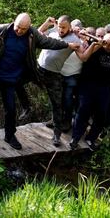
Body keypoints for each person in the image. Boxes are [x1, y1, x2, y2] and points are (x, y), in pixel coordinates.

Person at [0, 13, 79, 150]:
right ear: (14, 23)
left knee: (10, 107)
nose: (19, 31)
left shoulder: (32, 35)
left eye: (23, 29)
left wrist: (67, 45)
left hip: (10, 76)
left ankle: (10, 135)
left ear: (29, 27)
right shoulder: (2, 30)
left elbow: (50, 42)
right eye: (18, 27)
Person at [70, 33, 110, 150]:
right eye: (106, 44)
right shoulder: (96, 48)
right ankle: (76, 137)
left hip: (105, 87)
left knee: (101, 114)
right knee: (83, 110)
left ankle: (91, 138)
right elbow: (85, 57)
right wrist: (97, 45)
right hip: (88, 84)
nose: (109, 47)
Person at [37, 15, 81, 146]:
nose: (61, 29)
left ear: (70, 27)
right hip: (38, 68)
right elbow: (38, 34)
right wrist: (47, 23)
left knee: (57, 104)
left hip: (54, 74)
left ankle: (57, 135)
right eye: (60, 26)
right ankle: (26, 106)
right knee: (17, 80)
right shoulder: (54, 31)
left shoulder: (74, 39)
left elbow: (83, 56)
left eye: (64, 27)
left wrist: (93, 45)